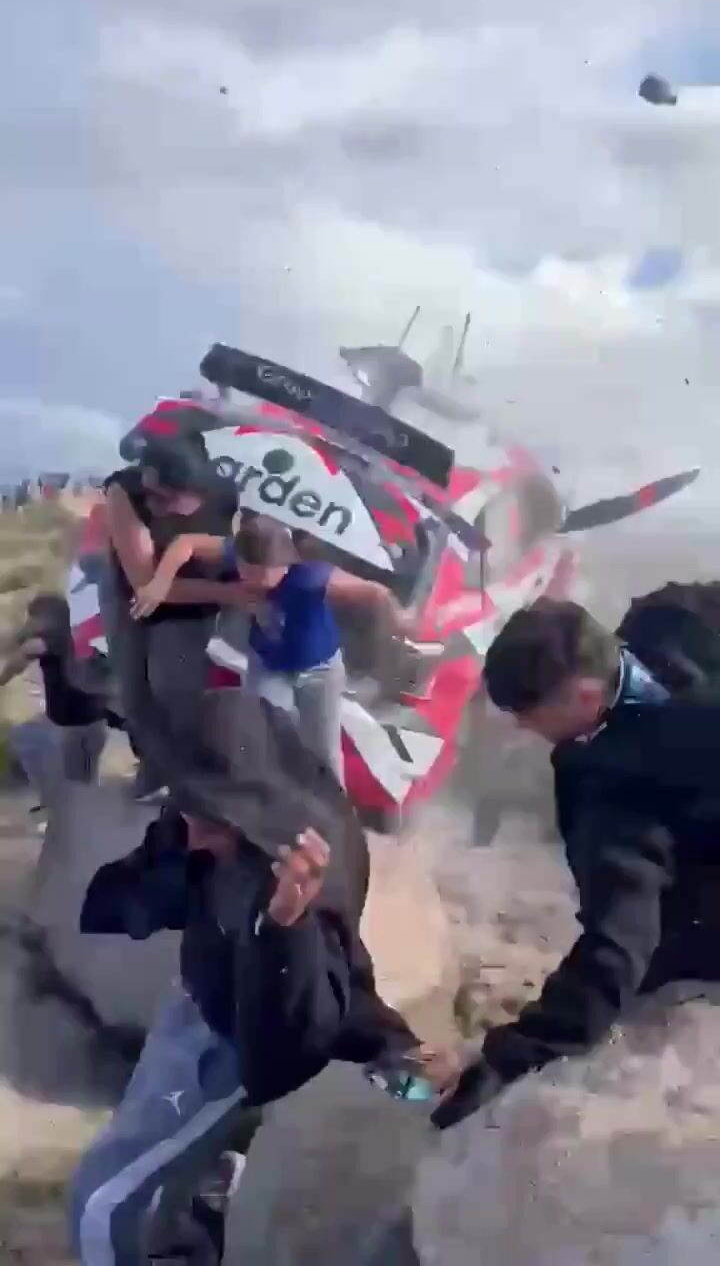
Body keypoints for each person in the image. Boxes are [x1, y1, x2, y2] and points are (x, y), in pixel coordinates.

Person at [69, 685, 448, 1264]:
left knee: (101, 1196)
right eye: (187, 808)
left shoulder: (297, 879)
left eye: (209, 821)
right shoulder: (223, 813)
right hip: (199, 998)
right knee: (157, 1159)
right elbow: (162, 872)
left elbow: (305, 1027)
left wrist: (284, 927)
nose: (193, 834)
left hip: (231, 1039)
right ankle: (190, 1228)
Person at [432, 597, 720, 1130]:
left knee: (651, 978)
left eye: (528, 713)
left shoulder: (617, 790)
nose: (523, 727)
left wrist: (508, 1056)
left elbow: (618, 945)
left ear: (584, 695)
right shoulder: (677, 620)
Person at [131, 514, 417, 786]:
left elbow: (376, 593)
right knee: (263, 739)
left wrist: (400, 623)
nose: (252, 581)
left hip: (320, 670)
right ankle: (268, 803)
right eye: (246, 571)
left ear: (285, 565)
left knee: (324, 751)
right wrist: (160, 583)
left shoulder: (313, 576)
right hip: (268, 666)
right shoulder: (240, 552)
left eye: (262, 576)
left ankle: (335, 810)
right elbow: (186, 543)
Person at [104, 434, 240, 800]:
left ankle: (187, 776)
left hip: (197, 595)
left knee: (176, 691)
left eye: (164, 498)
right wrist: (231, 594)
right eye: (149, 494)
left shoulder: (225, 494)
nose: (153, 505)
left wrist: (231, 594)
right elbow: (144, 582)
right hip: (130, 591)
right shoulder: (124, 490)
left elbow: (227, 553)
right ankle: (155, 765)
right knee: (133, 693)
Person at [0, 594, 125, 804]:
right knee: (86, 779)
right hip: (95, 723)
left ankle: (72, 816)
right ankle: (85, 811)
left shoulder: (49, 641)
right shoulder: (79, 637)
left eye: (34, 616)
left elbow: (20, 657)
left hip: (68, 727)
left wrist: (2, 678)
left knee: (70, 785)